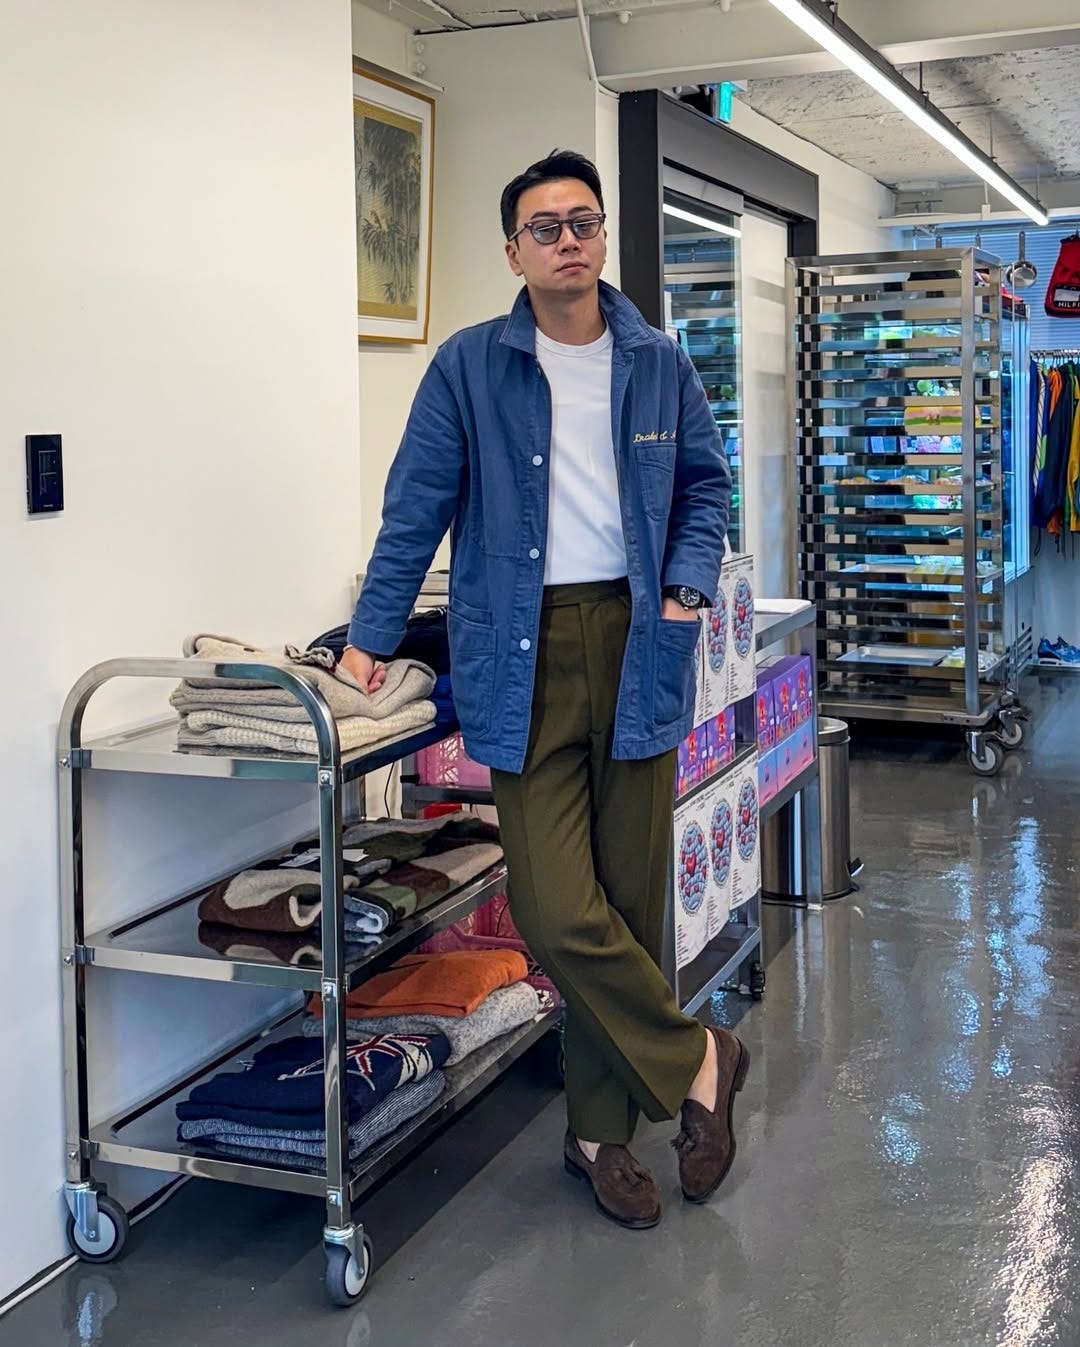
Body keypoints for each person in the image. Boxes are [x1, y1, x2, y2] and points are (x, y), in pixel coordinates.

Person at [340, 149, 749, 1229]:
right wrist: (369, 640)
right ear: (513, 250)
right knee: (559, 909)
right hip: (517, 652)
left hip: (639, 641)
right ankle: (702, 1055)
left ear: (602, 235)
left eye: (583, 220)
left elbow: (707, 487)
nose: (568, 239)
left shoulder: (658, 361)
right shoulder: (470, 367)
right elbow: (413, 509)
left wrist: (684, 591)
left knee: (631, 903)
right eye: (544, 226)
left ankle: (595, 1134)